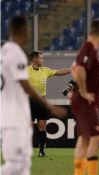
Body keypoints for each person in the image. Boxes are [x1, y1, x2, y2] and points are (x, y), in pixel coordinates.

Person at [0, 16, 66, 175]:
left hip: (9, 114)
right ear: (23, 30)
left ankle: (41, 150)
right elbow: (24, 85)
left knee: (22, 165)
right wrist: (48, 105)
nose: (29, 33)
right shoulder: (16, 54)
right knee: (16, 165)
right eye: (28, 29)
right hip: (16, 118)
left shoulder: (4, 52)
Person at [71, 19, 99, 175]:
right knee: (97, 138)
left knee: (84, 138)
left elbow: (75, 69)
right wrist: (84, 91)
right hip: (85, 102)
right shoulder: (89, 47)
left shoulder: (89, 49)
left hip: (82, 101)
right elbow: (78, 69)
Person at [28, 51, 71, 157]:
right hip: (29, 101)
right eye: (41, 58)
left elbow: (60, 72)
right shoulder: (25, 71)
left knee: (42, 126)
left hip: (42, 102)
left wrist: (72, 69)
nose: (43, 60)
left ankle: (41, 151)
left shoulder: (45, 70)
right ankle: (24, 151)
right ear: (35, 59)